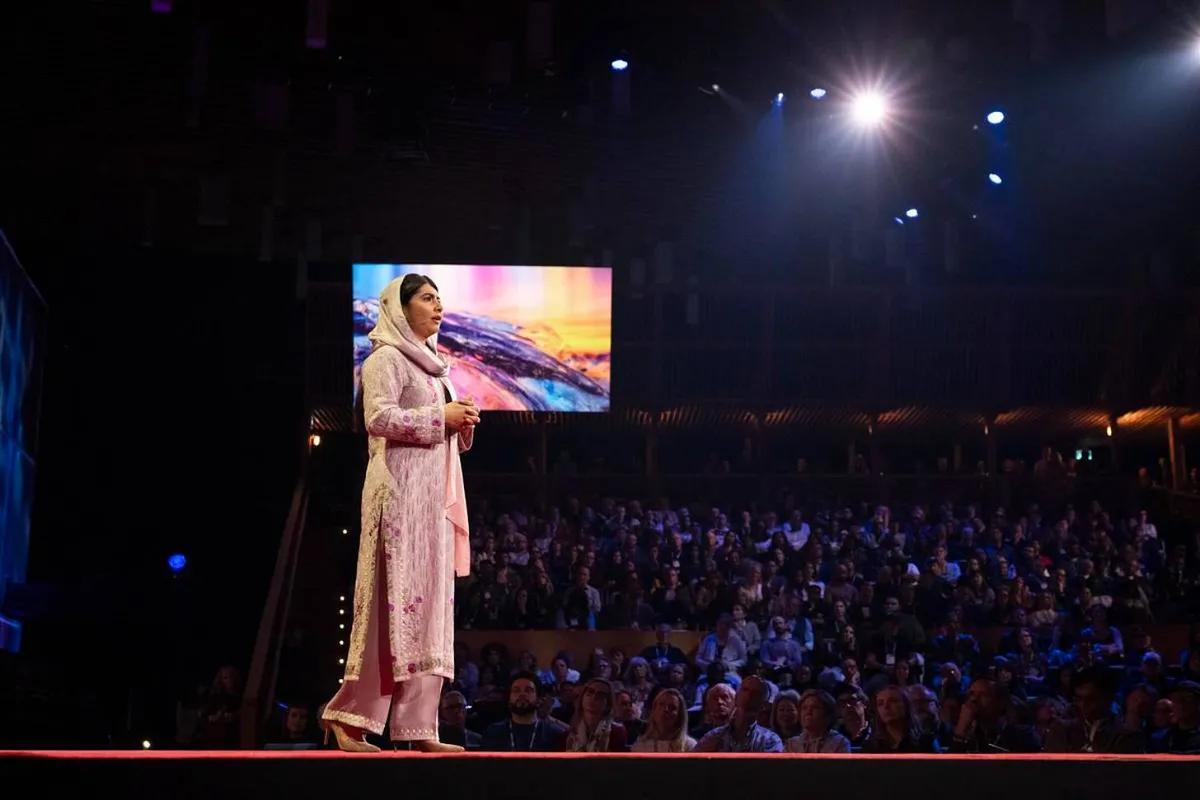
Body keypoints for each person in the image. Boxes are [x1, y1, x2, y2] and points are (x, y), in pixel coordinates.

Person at [321, 274, 480, 753]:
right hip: (395, 503)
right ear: (400, 307)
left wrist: (460, 420)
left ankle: (417, 729)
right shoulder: (384, 359)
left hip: (428, 506)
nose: (438, 307)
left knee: (430, 612)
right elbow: (377, 418)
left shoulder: (435, 370)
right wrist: (441, 419)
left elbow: (438, 431)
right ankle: (348, 718)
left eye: (440, 299)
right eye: (428, 298)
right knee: (389, 611)